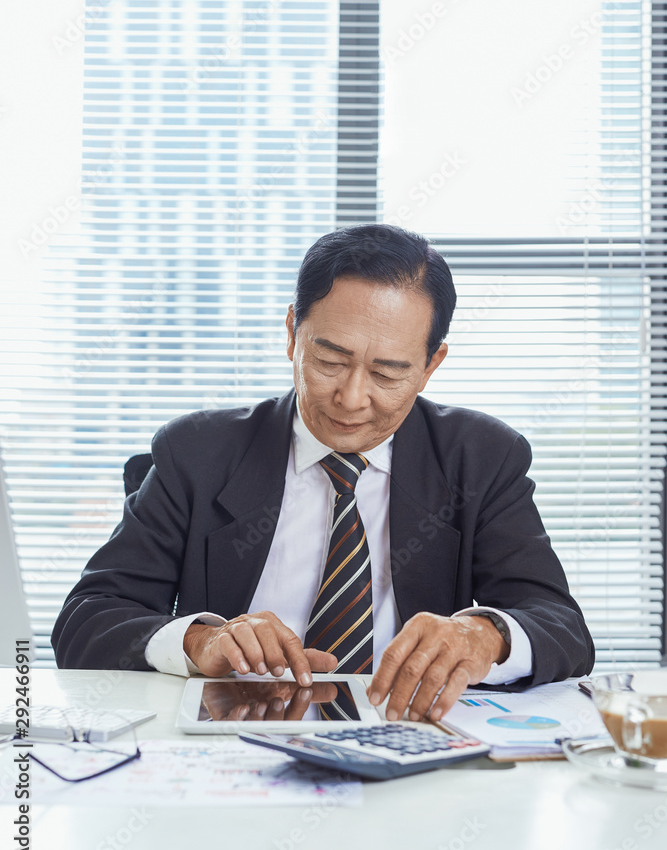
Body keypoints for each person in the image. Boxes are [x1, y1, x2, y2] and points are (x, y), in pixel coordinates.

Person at [52, 224, 594, 722]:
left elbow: (561, 627)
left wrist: (482, 636)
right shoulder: (198, 452)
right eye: (330, 361)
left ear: (431, 366)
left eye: (387, 373)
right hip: (238, 748)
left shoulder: (481, 458)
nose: (352, 398)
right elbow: (87, 620)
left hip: (409, 749)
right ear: (293, 333)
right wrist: (202, 642)